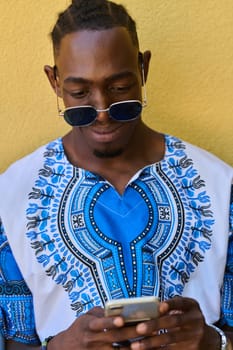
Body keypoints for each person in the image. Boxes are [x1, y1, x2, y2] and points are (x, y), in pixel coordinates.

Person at [0, 0, 232, 349]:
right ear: (55, 81)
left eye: (120, 89)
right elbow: (13, 338)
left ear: (143, 69)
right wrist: (62, 346)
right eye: (79, 93)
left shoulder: (219, 185)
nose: (103, 112)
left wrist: (213, 342)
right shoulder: (11, 197)